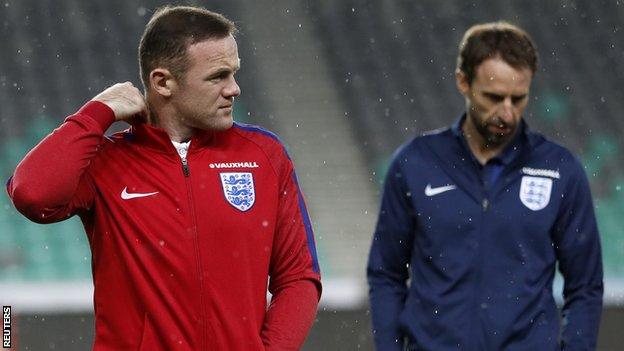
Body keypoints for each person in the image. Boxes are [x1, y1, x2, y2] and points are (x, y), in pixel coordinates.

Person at [7, 6, 321, 351]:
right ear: (163, 82)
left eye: (234, 73)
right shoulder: (107, 161)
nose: (234, 89)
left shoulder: (264, 155)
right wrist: (98, 112)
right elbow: (32, 194)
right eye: (218, 77)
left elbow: (298, 277)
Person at [367, 21, 603, 351]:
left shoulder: (560, 169)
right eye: (494, 97)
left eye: (518, 98)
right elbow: (386, 274)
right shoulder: (415, 163)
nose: (507, 112)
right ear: (463, 82)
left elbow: (585, 285)